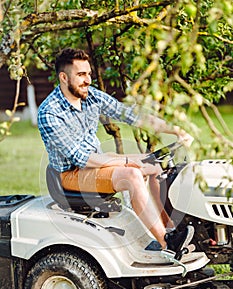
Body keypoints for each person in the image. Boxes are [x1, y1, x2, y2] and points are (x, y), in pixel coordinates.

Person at [38, 48, 194, 260]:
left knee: (155, 166)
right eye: (81, 75)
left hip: (95, 164)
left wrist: (176, 129)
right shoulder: (50, 113)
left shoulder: (91, 96)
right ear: (64, 77)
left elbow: (133, 116)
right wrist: (130, 161)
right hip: (71, 174)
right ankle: (167, 244)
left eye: (89, 74)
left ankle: (170, 230)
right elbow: (82, 159)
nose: (88, 80)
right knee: (132, 175)